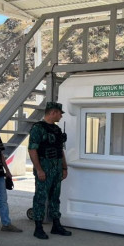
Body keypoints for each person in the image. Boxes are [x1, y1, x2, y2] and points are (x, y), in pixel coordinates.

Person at [28, 102, 71, 239]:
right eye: (59, 113)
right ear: (52, 113)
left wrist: (64, 167)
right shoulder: (38, 128)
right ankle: (38, 227)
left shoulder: (57, 129)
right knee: (40, 197)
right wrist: (39, 169)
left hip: (57, 167)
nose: (61, 116)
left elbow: (60, 150)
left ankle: (56, 225)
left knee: (55, 197)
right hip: (44, 166)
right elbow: (32, 150)